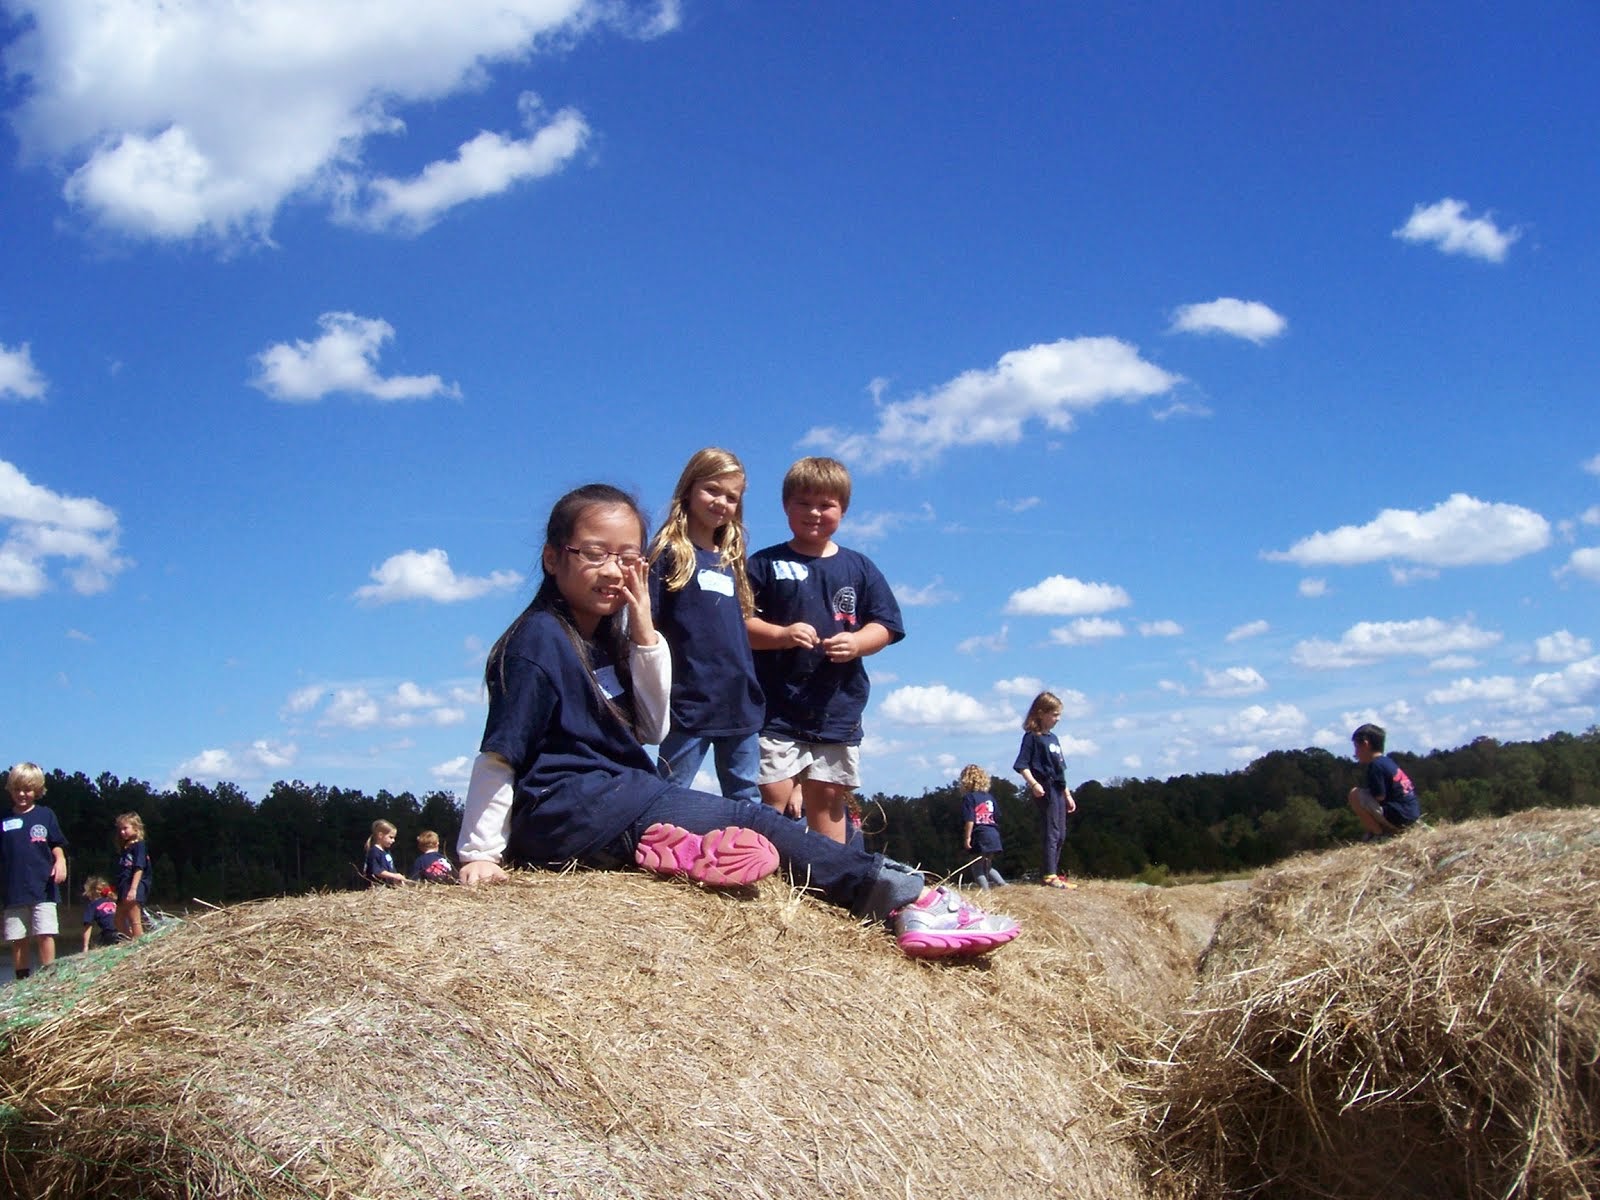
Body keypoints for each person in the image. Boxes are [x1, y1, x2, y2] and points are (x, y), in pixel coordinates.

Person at [455, 482, 1018, 959]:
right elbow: (502, 753)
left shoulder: (603, 637)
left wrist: (645, 630)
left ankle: (674, 851)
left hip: (611, 800)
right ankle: (907, 899)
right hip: (574, 805)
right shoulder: (536, 642)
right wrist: (479, 854)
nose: (613, 571)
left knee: (729, 818)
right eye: (594, 554)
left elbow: (652, 727)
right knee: (761, 820)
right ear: (553, 557)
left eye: (628, 558)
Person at [745, 457, 904, 842]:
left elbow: (886, 626)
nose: (814, 512)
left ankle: (826, 881)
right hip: (776, 705)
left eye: (826, 505)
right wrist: (781, 634)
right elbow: (740, 625)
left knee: (829, 794)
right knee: (774, 791)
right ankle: (767, 874)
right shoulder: (765, 563)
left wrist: (857, 643)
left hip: (837, 706)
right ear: (785, 506)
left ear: (843, 510)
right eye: (803, 503)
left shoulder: (859, 567)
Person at [646, 447, 764, 804]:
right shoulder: (668, 553)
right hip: (689, 702)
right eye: (712, 490)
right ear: (689, 488)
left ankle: (750, 856)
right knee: (668, 792)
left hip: (739, 702)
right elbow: (645, 625)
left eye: (731, 497)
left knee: (746, 794)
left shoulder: (731, 560)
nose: (721, 502)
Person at [2, 762, 68, 980]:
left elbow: (56, 844)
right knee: (17, 936)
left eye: (28, 789)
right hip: (13, 890)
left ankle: (50, 977)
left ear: (37, 791)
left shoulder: (45, 815)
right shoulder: (4, 819)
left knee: (44, 932)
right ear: (10, 789)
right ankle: (22, 980)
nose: (22, 794)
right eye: (17, 789)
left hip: (43, 887)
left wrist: (60, 862)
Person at [1014, 693, 1078, 889]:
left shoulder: (1054, 739)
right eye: (1054, 714)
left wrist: (1067, 794)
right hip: (1045, 787)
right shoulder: (1032, 738)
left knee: (1061, 834)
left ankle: (1054, 871)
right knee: (1051, 831)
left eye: (1059, 715)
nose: (1057, 719)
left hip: (1058, 788)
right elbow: (1022, 764)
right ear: (1041, 713)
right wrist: (1033, 784)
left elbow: (1060, 769)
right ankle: (1049, 874)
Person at [1347, 722, 1421, 838]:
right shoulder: (1388, 762)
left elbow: (1379, 796)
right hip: (1411, 814)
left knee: (1355, 794)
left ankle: (1379, 835)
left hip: (1400, 816)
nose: (1355, 753)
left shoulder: (1375, 765)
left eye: (1356, 747)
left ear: (1366, 744)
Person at [959, 764, 1006, 891]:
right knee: (987, 866)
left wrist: (967, 837)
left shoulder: (969, 798)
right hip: (993, 834)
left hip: (980, 835)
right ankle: (1004, 886)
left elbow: (970, 819)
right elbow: (997, 815)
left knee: (977, 867)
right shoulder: (989, 797)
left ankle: (986, 893)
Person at [114, 811, 150, 939]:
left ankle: (139, 944)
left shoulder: (139, 845)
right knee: (118, 919)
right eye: (120, 829)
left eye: (125, 828)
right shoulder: (125, 848)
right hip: (124, 885)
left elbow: (139, 867)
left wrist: (133, 889)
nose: (122, 832)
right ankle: (130, 942)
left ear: (136, 827)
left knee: (134, 918)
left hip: (135, 885)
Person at [364, 820, 407, 887]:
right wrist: (395, 876)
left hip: (388, 888)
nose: (393, 840)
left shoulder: (387, 852)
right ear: (380, 835)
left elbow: (391, 869)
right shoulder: (374, 852)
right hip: (378, 889)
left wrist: (397, 879)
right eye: (391, 837)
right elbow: (377, 871)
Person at [81, 876, 119, 951]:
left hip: (110, 934)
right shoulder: (114, 902)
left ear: (91, 892)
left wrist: (85, 946)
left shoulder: (93, 905)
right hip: (123, 931)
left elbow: (87, 926)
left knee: (99, 942)